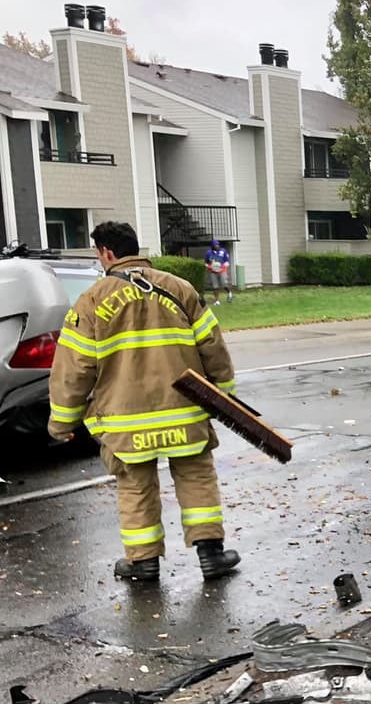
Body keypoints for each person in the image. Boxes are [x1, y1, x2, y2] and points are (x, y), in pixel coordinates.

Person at [47, 221, 241, 583]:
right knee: (197, 478)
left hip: (125, 421)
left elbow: (74, 368)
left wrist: (62, 422)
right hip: (184, 411)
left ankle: (143, 563)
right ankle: (211, 555)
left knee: (135, 487)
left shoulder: (91, 301)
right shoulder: (179, 288)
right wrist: (223, 395)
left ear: (106, 253)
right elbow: (212, 346)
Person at [204, 238, 233, 305]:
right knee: (215, 286)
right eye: (215, 245)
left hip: (222, 270)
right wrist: (209, 266)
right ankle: (217, 300)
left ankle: (229, 293)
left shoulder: (223, 251)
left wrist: (223, 267)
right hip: (213, 272)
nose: (217, 246)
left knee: (224, 284)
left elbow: (227, 261)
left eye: (218, 244)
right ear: (212, 246)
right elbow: (206, 263)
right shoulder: (208, 253)